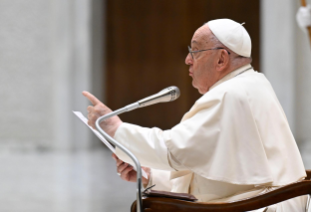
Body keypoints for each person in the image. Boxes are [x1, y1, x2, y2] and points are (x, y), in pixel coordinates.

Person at [83, 19, 308, 211]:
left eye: (195, 51)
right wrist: (151, 175)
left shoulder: (229, 94)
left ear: (221, 59)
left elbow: (172, 150)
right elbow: (217, 175)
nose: (187, 60)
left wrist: (114, 127)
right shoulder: (252, 82)